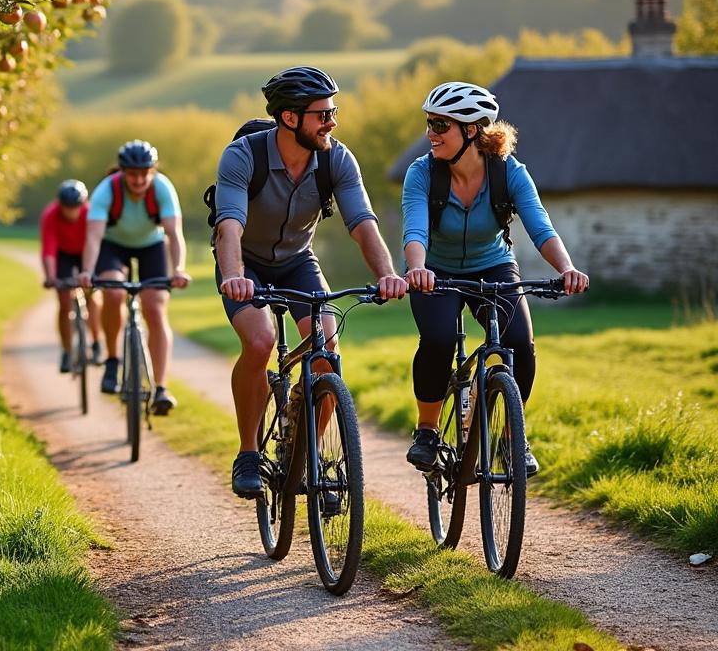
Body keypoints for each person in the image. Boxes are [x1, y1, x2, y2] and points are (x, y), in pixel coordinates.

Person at [213, 66, 408, 500]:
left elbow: (363, 224)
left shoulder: (336, 158)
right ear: (289, 118)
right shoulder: (244, 156)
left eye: (333, 111)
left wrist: (388, 275)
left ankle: (307, 455)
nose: (332, 122)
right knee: (261, 341)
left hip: (299, 261)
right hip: (245, 264)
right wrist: (233, 277)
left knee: (326, 350)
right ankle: (248, 452)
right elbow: (229, 226)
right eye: (323, 114)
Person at [401, 81, 589, 477]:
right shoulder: (422, 174)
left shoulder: (510, 174)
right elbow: (414, 231)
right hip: (435, 270)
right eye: (429, 124)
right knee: (437, 340)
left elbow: (541, 228)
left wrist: (566, 269)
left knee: (519, 342)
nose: (430, 134)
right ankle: (428, 431)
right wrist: (417, 268)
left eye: (439, 125)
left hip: (493, 265)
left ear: (471, 131)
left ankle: (510, 439)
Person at [77, 141, 190, 415]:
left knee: (155, 308)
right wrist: (87, 272)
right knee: (114, 293)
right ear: (122, 172)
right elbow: (93, 237)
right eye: (132, 173)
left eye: (144, 173)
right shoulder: (107, 190)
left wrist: (178, 269)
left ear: (152, 171)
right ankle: (113, 360)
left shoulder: (162, 187)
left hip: (152, 246)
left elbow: (174, 234)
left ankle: (161, 387)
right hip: (112, 246)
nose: (138, 180)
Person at [40, 179, 103, 372]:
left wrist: (91, 271)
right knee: (64, 301)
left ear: (82, 204)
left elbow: (95, 241)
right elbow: (49, 249)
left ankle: (96, 342)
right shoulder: (51, 215)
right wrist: (51, 276)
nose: (71, 211)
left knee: (93, 296)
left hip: (86, 252)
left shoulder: (90, 213)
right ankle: (67, 351)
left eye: (75, 206)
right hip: (63, 255)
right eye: (67, 207)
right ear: (60, 204)